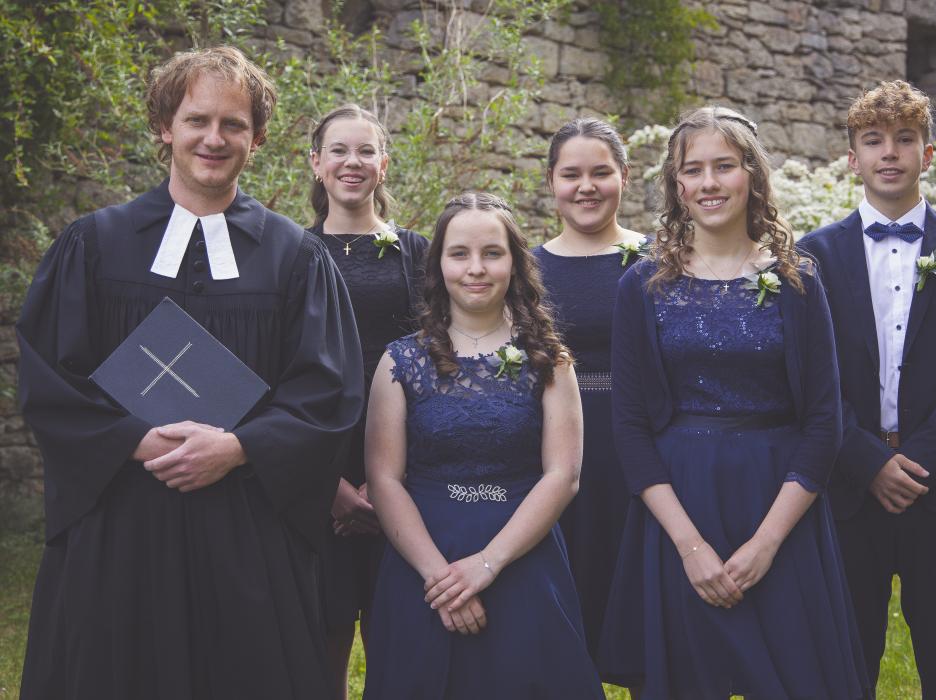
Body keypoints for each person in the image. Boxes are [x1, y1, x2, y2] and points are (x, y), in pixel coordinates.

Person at [16, 46, 363, 700]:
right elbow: (50, 377)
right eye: (197, 120)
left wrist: (239, 447)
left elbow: (327, 390)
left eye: (234, 124)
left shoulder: (295, 258)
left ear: (257, 138)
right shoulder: (95, 245)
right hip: (122, 520)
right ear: (164, 127)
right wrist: (135, 440)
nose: (214, 138)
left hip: (247, 525)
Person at [599, 106, 869, 699]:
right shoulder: (641, 286)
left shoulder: (799, 281)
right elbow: (631, 426)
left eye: (724, 166)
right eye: (692, 170)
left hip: (779, 502)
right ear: (676, 185)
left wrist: (766, 544)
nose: (709, 183)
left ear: (752, 175)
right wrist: (690, 546)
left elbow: (824, 422)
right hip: (681, 505)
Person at [797, 80, 936, 699]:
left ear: (927, 154)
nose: (889, 152)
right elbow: (809, 376)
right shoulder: (811, 255)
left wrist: (916, 463)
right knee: (842, 669)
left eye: (904, 139)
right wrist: (867, 461)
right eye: (873, 141)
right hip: (846, 492)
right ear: (852, 159)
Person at [362, 193, 603, 699]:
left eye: (492, 253)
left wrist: (488, 563)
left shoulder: (550, 361)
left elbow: (563, 475)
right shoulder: (399, 362)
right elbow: (383, 478)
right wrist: (440, 579)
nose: (476, 268)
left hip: (522, 557)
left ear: (514, 263)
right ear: (439, 264)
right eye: (460, 254)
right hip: (423, 562)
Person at [306, 103, 429, 693]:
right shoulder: (291, 254)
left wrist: (389, 484)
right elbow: (278, 372)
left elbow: (438, 362)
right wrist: (326, 484)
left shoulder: (416, 253)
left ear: (384, 164)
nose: (351, 162)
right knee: (322, 634)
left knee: (399, 635)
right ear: (316, 163)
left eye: (365, 151)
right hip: (315, 468)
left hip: (404, 468)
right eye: (338, 150)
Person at [532, 117, 646, 659]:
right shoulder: (526, 272)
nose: (586, 187)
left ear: (625, 175)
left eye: (600, 173)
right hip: (555, 455)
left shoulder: (662, 260)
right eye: (571, 175)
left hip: (642, 448)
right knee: (564, 627)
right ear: (551, 181)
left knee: (646, 617)